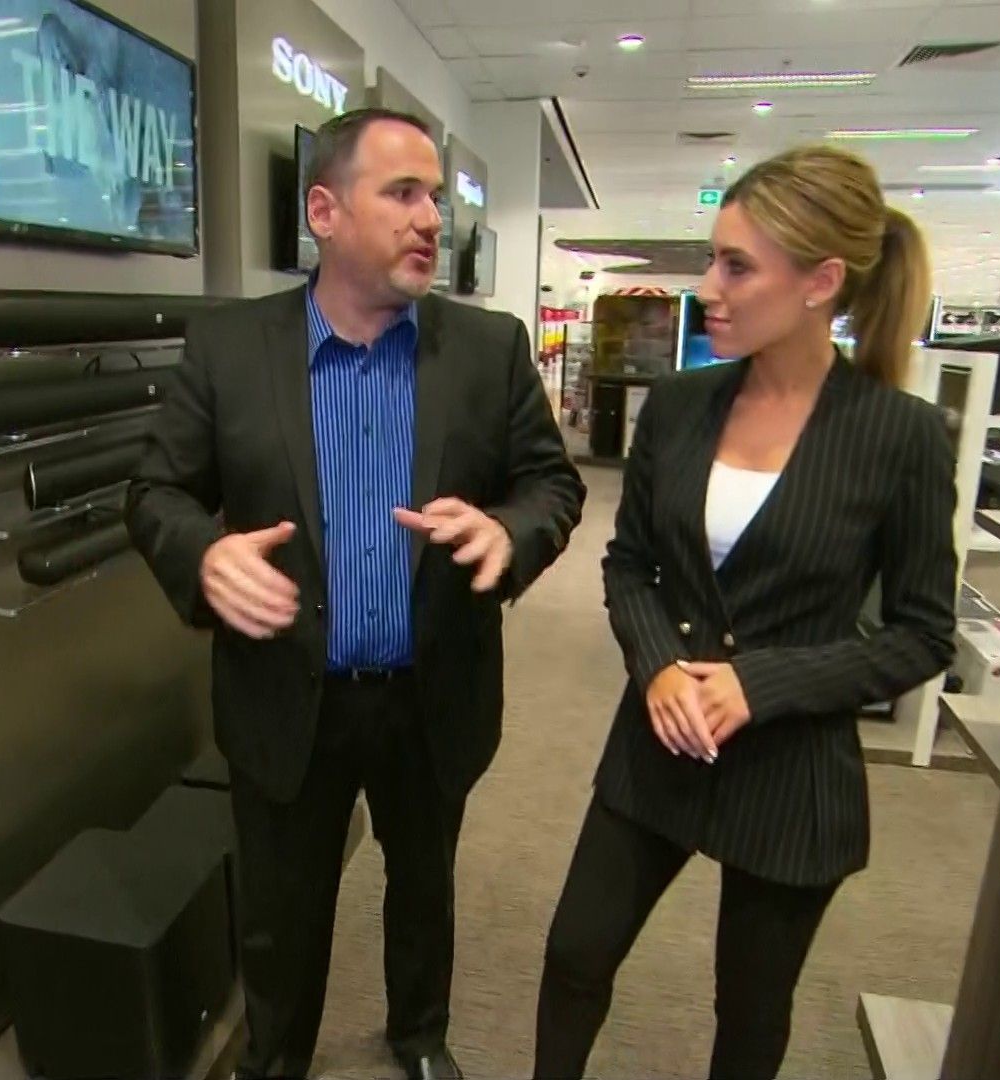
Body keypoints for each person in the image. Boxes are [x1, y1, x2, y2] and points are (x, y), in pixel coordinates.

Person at [126, 107, 585, 1080]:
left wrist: (510, 532)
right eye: (403, 193)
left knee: (425, 886)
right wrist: (203, 556)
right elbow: (156, 492)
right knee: (281, 908)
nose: (432, 219)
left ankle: (419, 1037)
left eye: (437, 197)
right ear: (325, 212)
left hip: (434, 686)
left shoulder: (489, 349)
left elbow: (552, 484)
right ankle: (277, 1057)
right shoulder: (229, 348)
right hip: (286, 692)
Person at [532, 145, 959, 1080]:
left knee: (751, 1010)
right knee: (574, 955)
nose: (707, 290)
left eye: (736, 267)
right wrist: (658, 666)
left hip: (790, 768)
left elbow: (925, 633)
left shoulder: (902, 436)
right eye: (711, 259)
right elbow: (630, 564)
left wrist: (758, 684)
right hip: (658, 742)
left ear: (820, 282)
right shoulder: (679, 406)